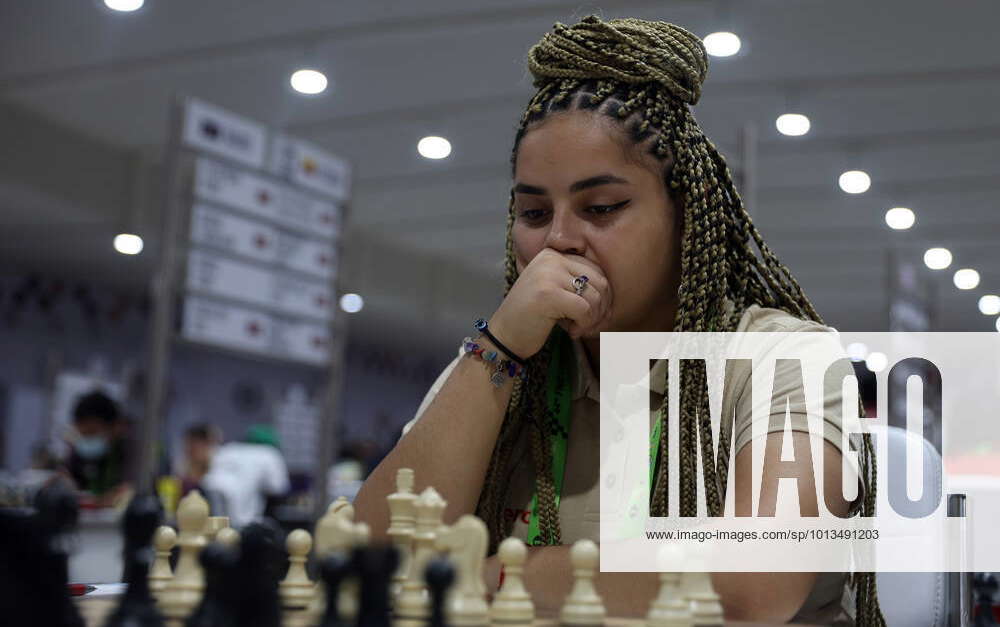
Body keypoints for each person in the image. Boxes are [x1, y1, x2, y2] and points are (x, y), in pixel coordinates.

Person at [353, 15, 881, 626]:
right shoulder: (497, 368)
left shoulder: (783, 357)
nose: (557, 240)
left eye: (601, 207)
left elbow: (750, 586)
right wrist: (498, 348)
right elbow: (373, 561)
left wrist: (483, 570)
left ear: (685, 215)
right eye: (531, 211)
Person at [201, 424, 290, 529]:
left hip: (206, 494)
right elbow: (279, 488)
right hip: (241, 516)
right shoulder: (269, 453)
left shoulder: (229, 448)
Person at [64, 390, 132, 504]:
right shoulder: (77, 455)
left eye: (92, 433)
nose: (87, 441)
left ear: (115, 427)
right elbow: (71, 483)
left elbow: (131, 490)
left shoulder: (132, 456)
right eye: (82, 434)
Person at [177, 423, 221, 496]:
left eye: (194, 447)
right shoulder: (182, 474)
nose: (188, 450)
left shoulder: (218, 473)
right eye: (187, 445)